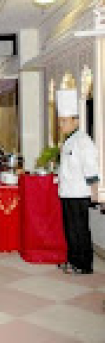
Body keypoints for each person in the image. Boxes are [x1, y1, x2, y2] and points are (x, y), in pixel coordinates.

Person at [56, 90, 100, 275]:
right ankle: (73, 259)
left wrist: (95, 191)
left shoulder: (83, 141)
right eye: (60, 121)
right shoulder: (69, 141)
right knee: (70, 229)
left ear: (76, 120)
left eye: (64, 121)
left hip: (79, 193)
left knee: (79, 230)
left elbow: (91, 166)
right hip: (67, 192)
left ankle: (84, 265)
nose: (61, 125)